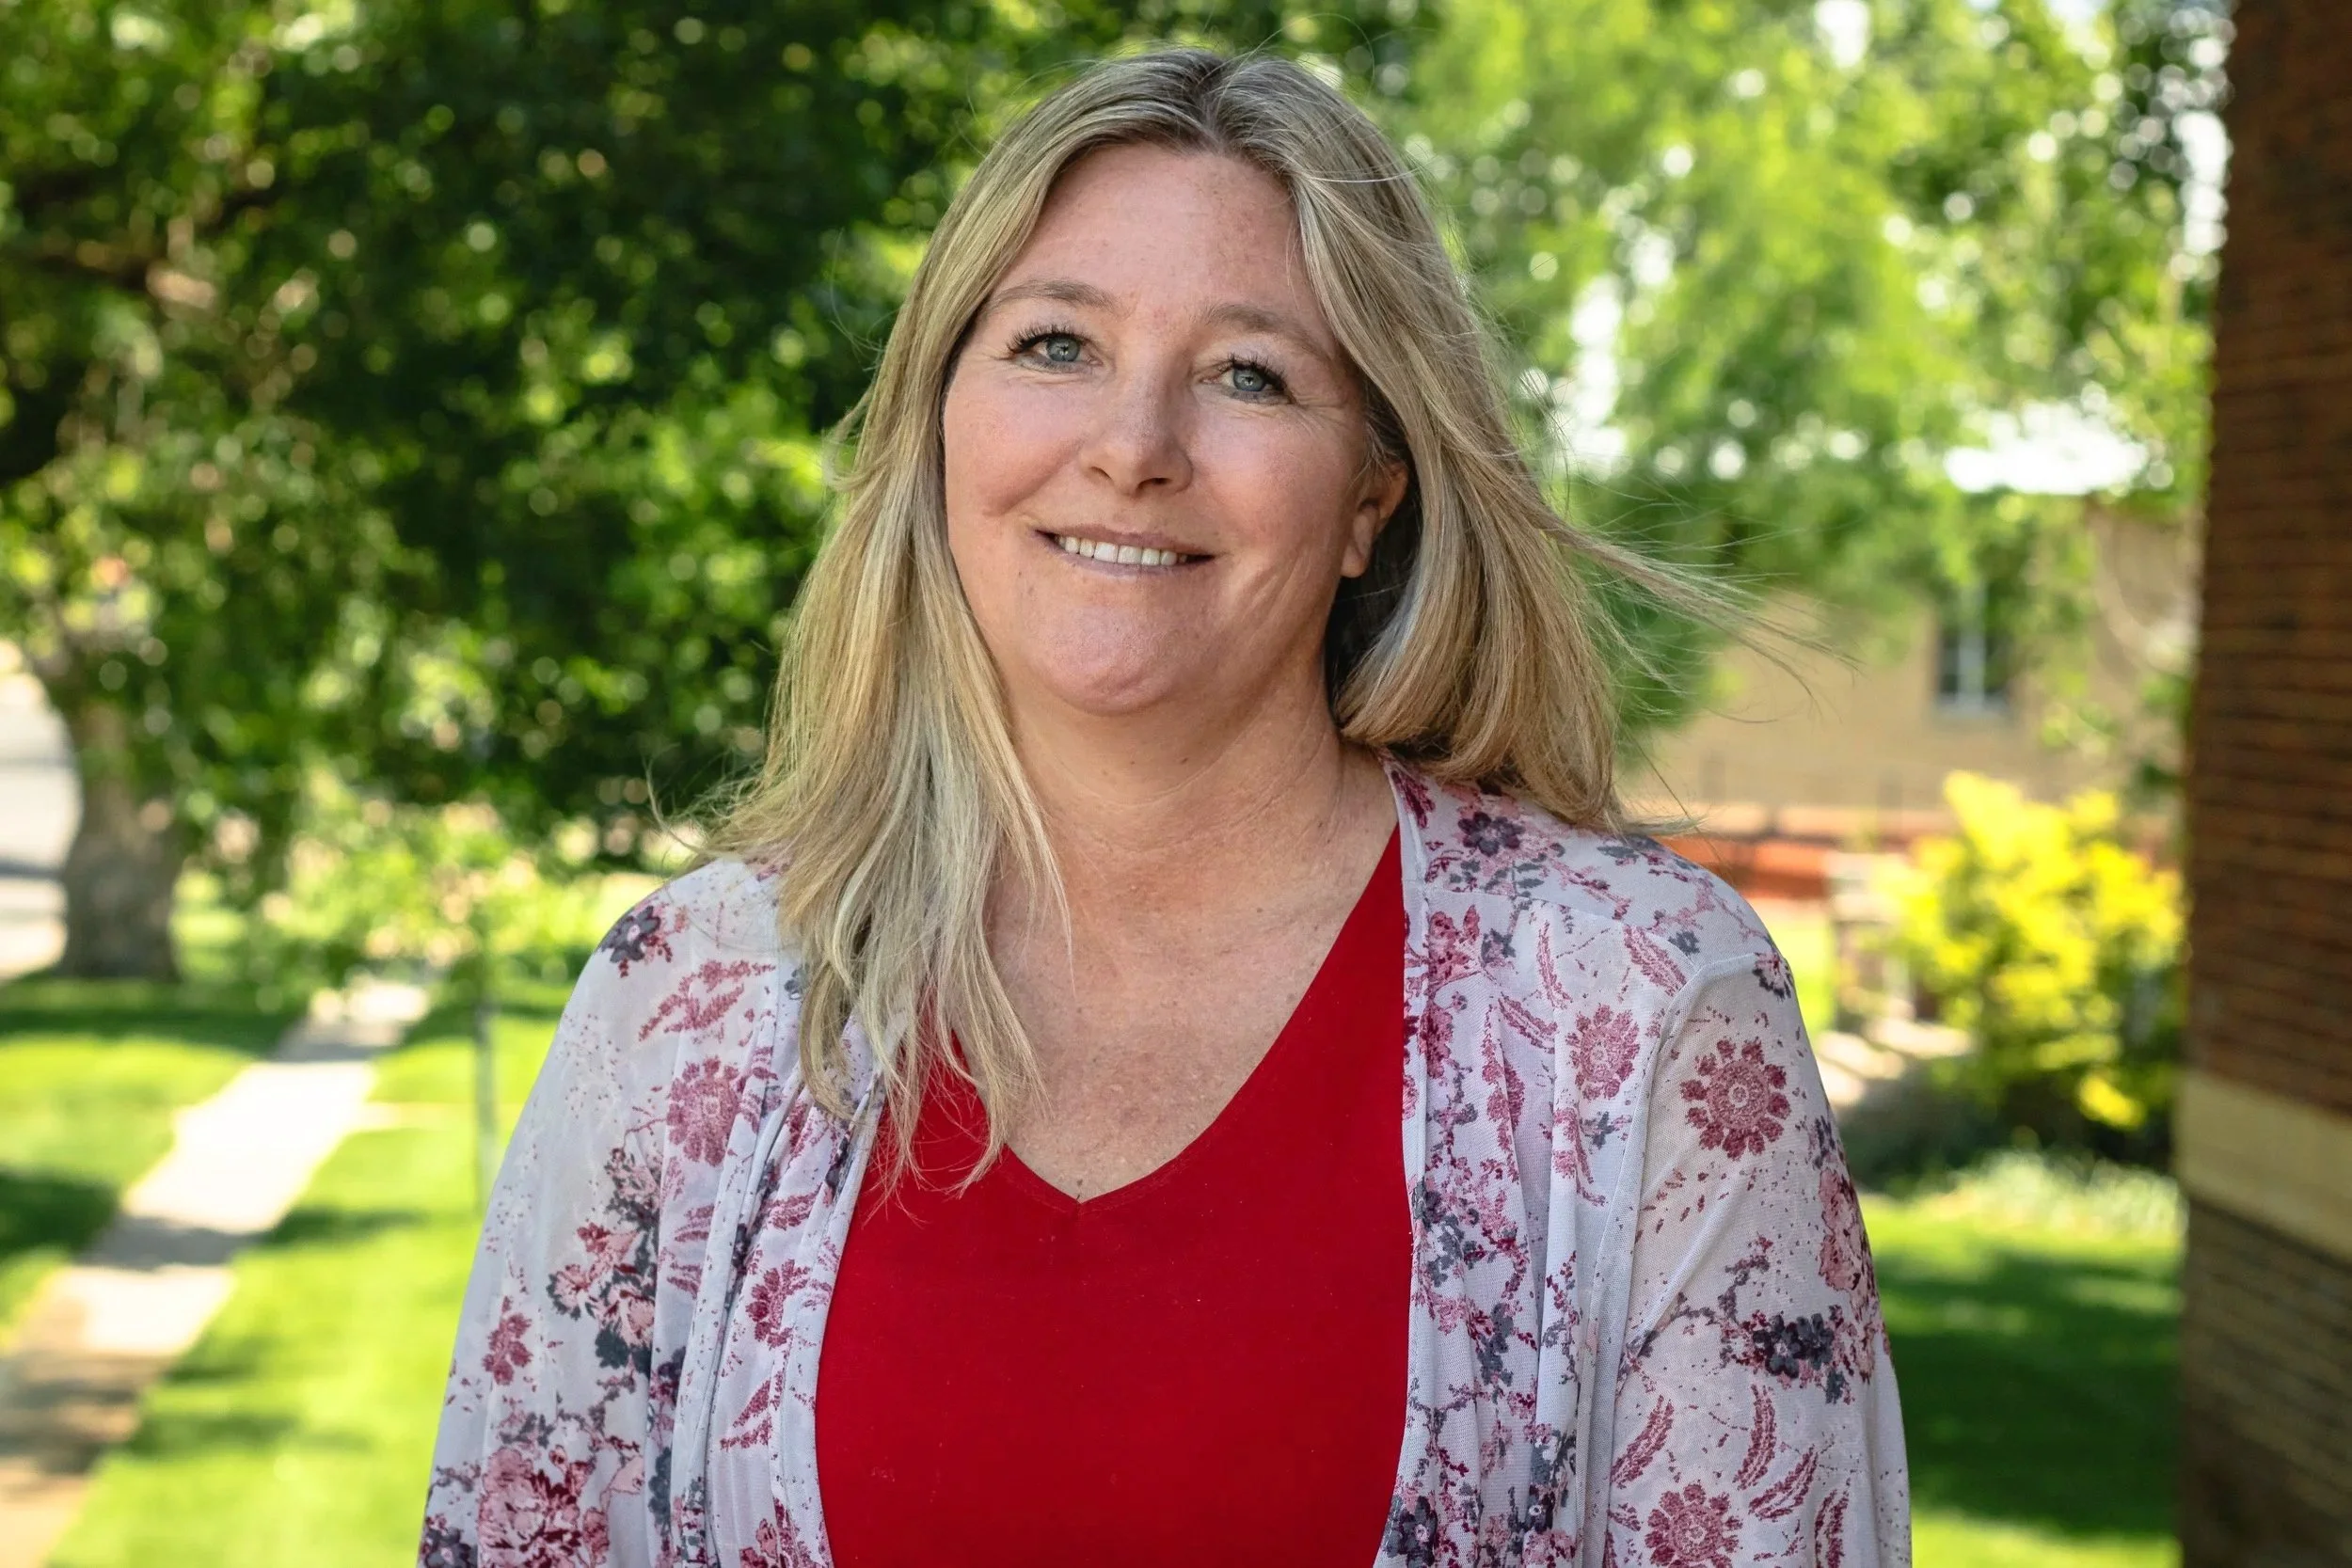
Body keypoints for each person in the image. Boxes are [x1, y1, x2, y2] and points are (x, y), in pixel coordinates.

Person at [421, 46, 1909, 1568]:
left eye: (1248, 374)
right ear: (943, 425)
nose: (1133, 447)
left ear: (1370, 502)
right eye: (1057, 345)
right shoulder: (694, 1003)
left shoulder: (1644, 1015)